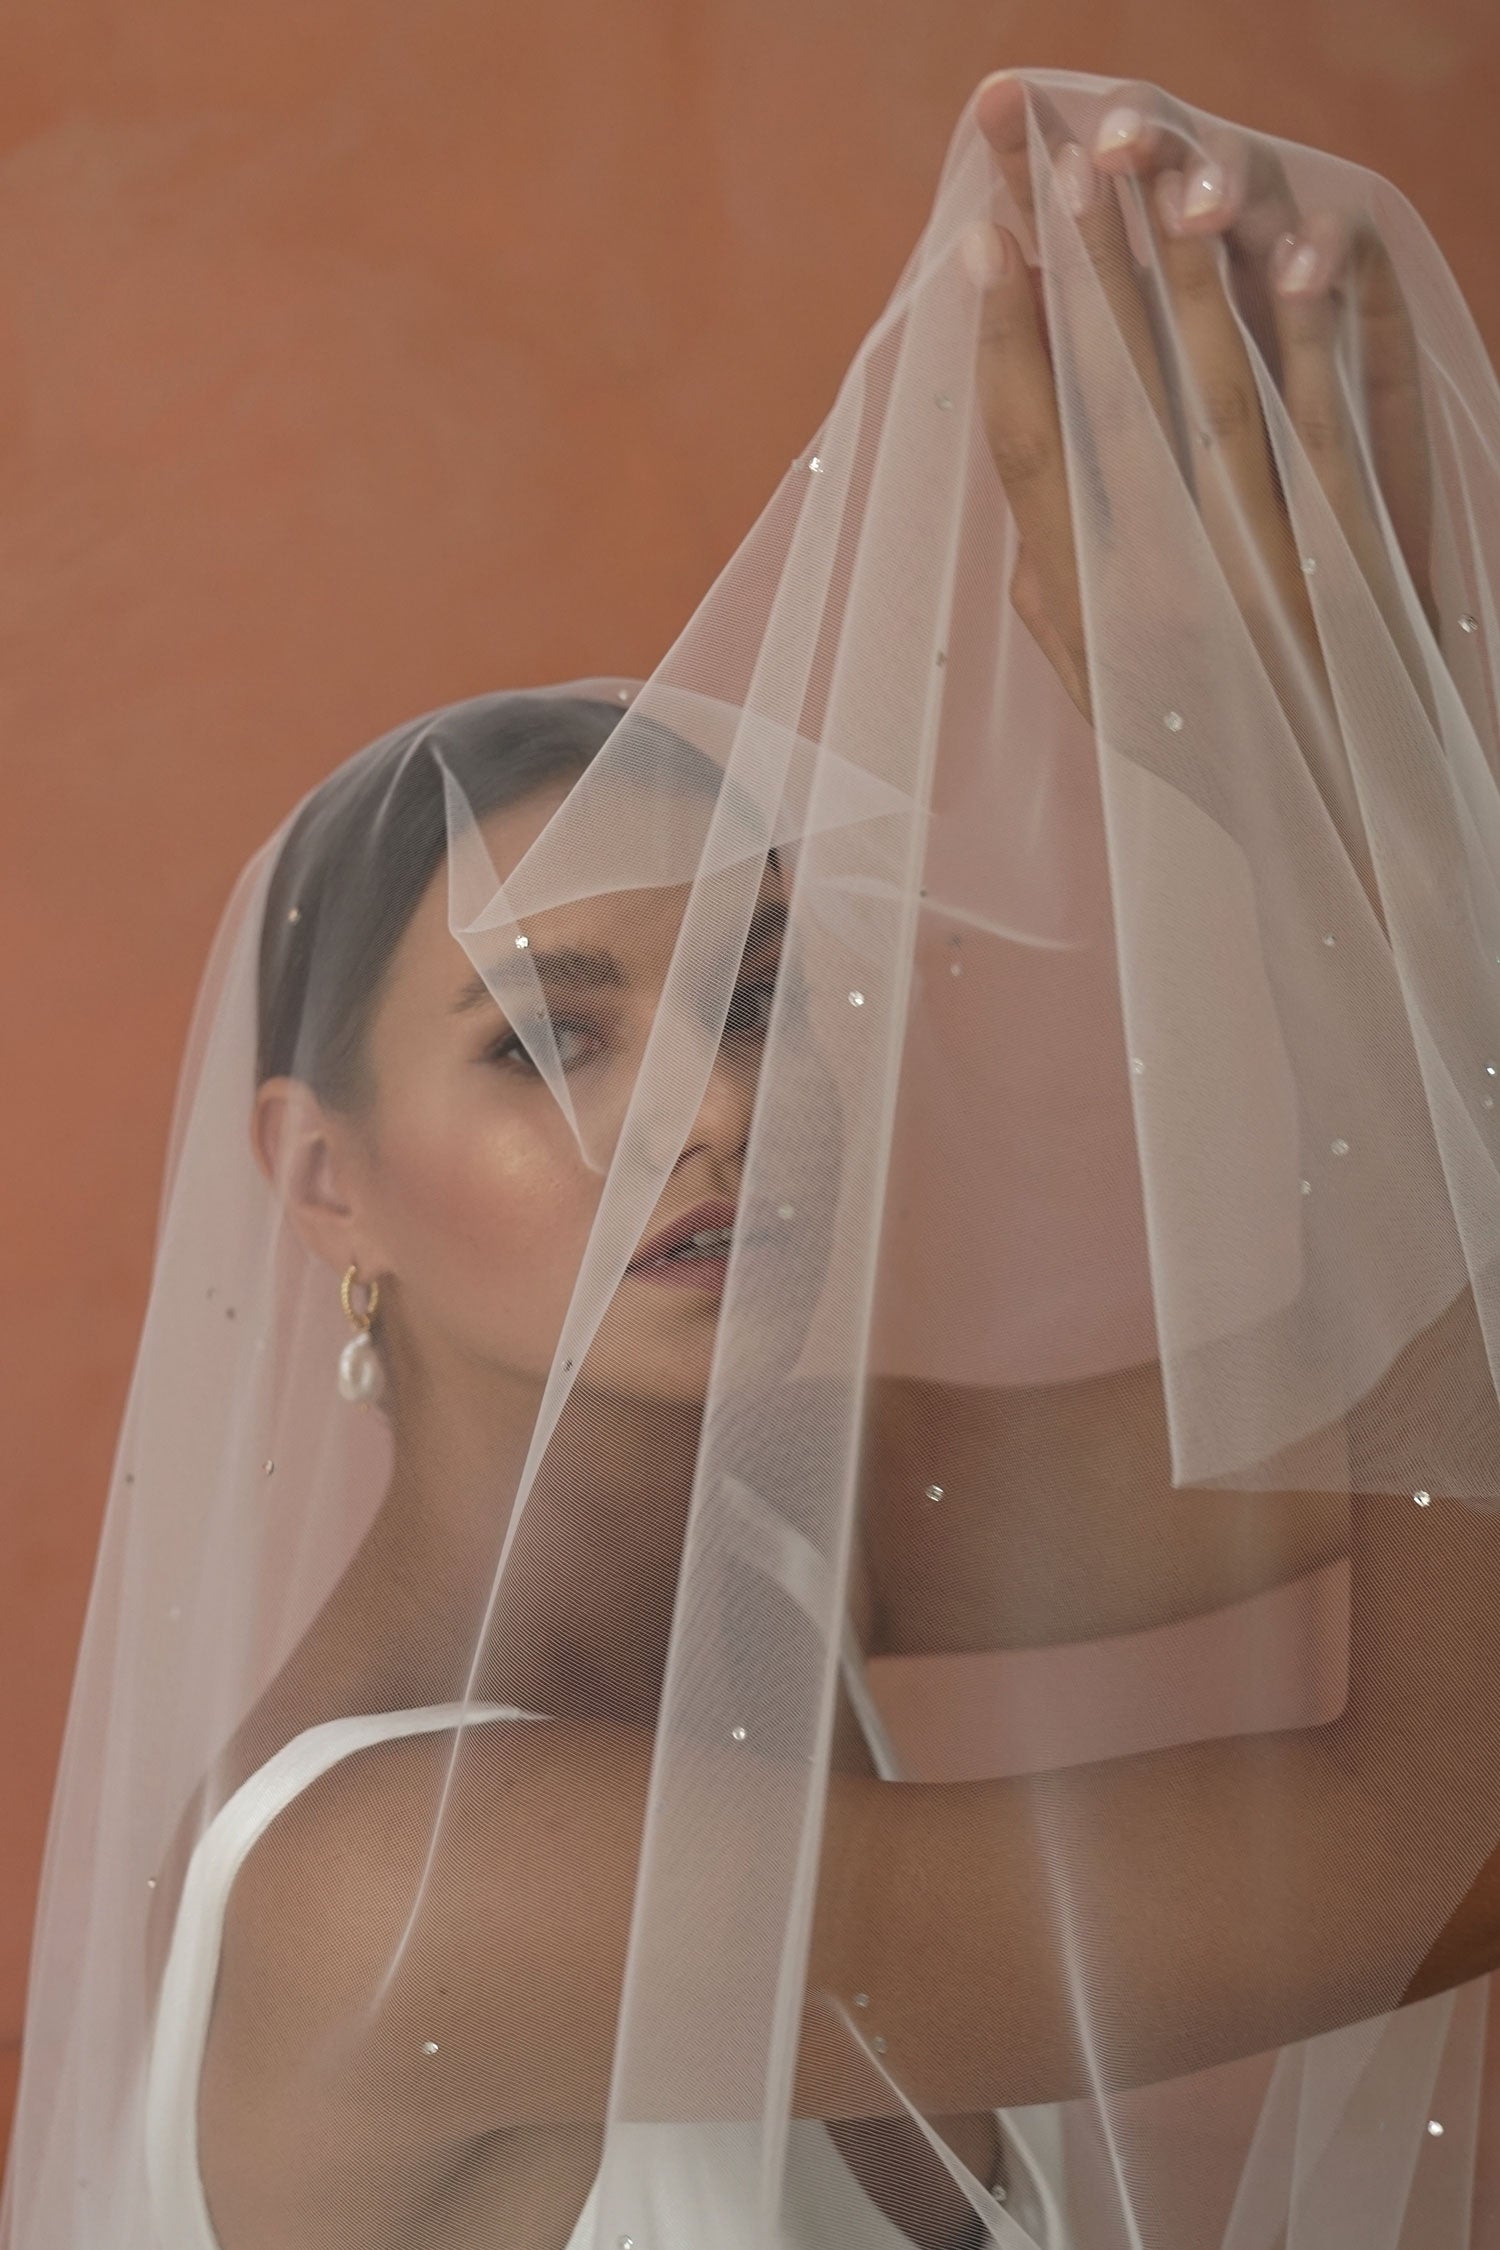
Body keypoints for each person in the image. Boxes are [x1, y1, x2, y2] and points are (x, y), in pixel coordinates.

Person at [6, 64, 1500, 2250]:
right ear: (323, 1181)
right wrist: (1258, 750)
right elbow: (1428, 1857)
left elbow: (1411, 1365)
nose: (706, 1107)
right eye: (545, 1042)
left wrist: (1331, 664)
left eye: (758, 989)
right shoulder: (415, 1882)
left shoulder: (802, 1545)